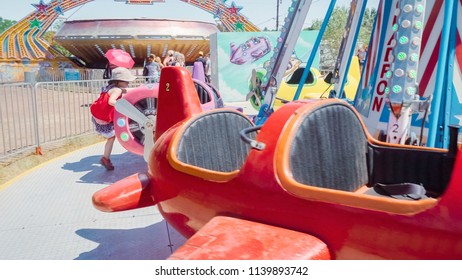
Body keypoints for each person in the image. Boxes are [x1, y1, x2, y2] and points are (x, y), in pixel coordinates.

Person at [90, 67, 137, 170]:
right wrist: (122, 106)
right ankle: (105, 158)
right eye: (127, 81)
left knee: (111, 138)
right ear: (120, 81)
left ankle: (106, 158)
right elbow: (111, 101)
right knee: (111, 138)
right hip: (104, 117)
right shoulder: (117, 90)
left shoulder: (110, 87)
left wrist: (139, 88)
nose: (128, 83)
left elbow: (124, 90)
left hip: (97, 114)